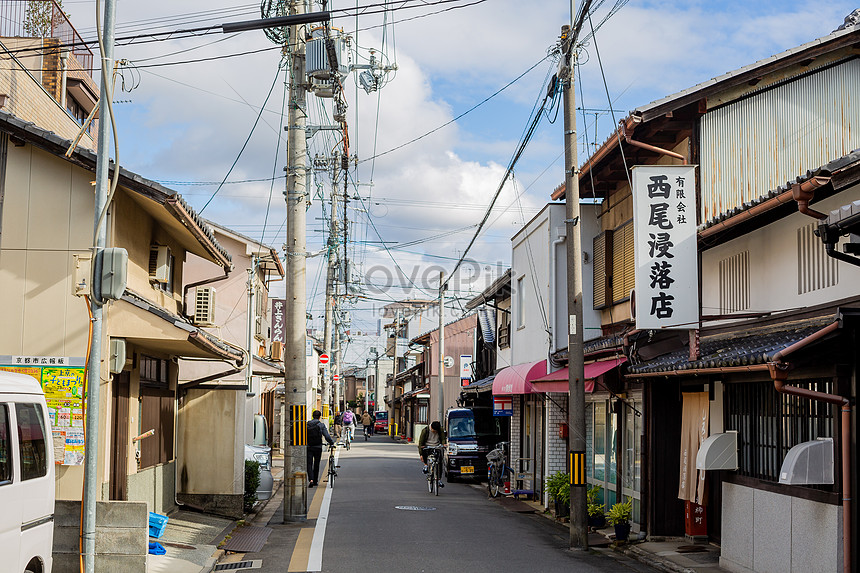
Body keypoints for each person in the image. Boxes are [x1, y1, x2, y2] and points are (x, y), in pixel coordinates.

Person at [306, 410, 334, 488]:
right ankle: (315, 481)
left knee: (309, 463)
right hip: (318, 446)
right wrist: (331, 442)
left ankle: (310, 479)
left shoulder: (307, 424)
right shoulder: (321, 425)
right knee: (316, 463)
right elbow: (327, 436)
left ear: (312, 416)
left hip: (309, 446)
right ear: (319, 417)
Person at [418, 421, 446, 486]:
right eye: (434, 430)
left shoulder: (440, 429)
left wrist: (443, 444)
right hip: (427, 446)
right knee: (424, 451)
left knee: (439, 461)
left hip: (437, 446)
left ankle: (439, 480)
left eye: (436, 430)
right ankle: (426, 465)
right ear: (431, 427)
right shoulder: (425, 430)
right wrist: (421, 454)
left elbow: (443, 438)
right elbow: (420, 443)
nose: (435, 432)